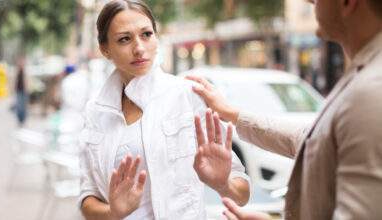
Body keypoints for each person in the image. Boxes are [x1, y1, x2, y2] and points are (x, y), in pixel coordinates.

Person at [187, 0, 382, 219]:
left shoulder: (370, 91)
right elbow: (310, 140)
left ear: (348, 3)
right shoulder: (365, 75)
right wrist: (231, 114)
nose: (309, 2)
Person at [78, 1, 250, 220]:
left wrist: (223, 184)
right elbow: (87, 197)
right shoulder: (95, 111)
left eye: (146, 34)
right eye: (124, 39)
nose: (139, 48)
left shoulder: (188, 95)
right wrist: (113, 212)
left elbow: (242, 195)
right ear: (105, 49)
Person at [14, 62, 27, 126]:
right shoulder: (18, 72)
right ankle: (19, 120)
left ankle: (22, 120)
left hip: (24, 91)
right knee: (19, 106)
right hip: (19, 91)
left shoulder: (25, 72)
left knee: (23, 106)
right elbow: (15, 81)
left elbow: (26, 81)